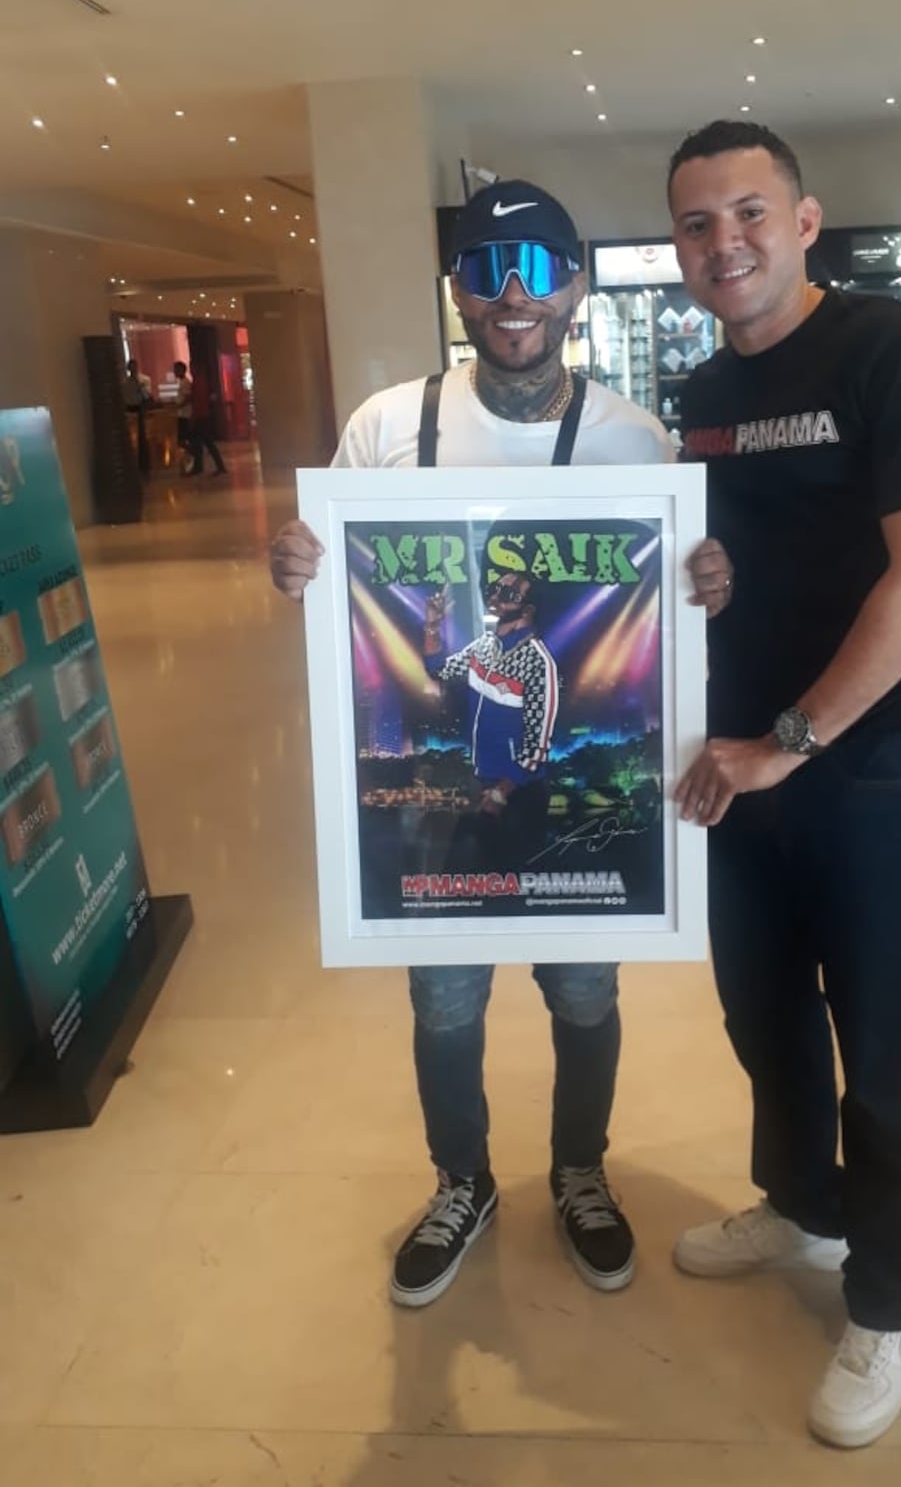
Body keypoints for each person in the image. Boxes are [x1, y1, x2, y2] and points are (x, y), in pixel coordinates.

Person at [270, 179, 732, 1311]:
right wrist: (301, 566)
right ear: (458, 289)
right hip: (452, 817)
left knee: (583, 993)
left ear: (575, 285)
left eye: (536, 271)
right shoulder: (387, 427)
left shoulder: (635, 439)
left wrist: (708, 583)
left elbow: (667, 616)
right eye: (486, 270)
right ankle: (462, 1182)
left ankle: (579, 1170)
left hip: (547, 804)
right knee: (443, 1004)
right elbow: (350, 601)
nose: (512, 296)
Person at [667, 121, 901, 1449]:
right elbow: (721, 563)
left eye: (749, 212)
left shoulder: (896, 350)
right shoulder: (700, 394)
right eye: (697, 224)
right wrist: (702, 581)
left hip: (875, 770)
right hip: (741, 765)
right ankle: (802, 1206)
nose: (724, 242)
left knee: (883, 1050)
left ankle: (894, 1298)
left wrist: (788, 741)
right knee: (764, 1016)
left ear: (804, 221)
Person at [423, 566, 558, 870]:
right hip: (482, 785)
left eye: (508, 593)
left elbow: (537, 745)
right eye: (495, 588)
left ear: (529, 609)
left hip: (519, 794)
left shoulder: (538, 661)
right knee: (477, 883)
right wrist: (432, 625)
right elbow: (439, 670)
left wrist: (501, 793)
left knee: (515, 883)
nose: (495, 596)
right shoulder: (484, 646)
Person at [180, 361, 228, 478]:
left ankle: (213, 467)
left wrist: (193, 416)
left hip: (201, 417)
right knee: (201, 442)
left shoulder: (199, 382)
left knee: (206, 442)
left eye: (192, 367)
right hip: (203, 416)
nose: (191, 370)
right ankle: (202, 466)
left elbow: (199, 401)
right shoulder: (200, 381)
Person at [123, 358, 152, 474]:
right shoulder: (125, 383)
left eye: (134, 367)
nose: (133, 369)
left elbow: (147, 395)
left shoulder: (145, 380)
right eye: (131, 367)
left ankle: (146, 465)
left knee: (145, 437)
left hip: (142, 409)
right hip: (130, 410)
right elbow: (125, 398)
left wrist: (139, 386)